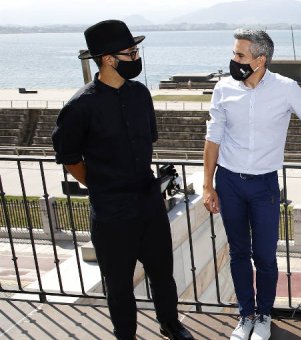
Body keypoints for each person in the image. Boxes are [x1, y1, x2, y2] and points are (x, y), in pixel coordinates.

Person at [51, 20, 193, 340]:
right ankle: (125, 335)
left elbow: (148, 141)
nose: (137, 57)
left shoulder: (141, 94)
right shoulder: (79, 106)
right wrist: (102, 184)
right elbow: (70, 158)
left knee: (162, 272)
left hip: (148, 201)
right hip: (112, 210)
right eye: (131, 52)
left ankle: (169, 323)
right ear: (109, 59)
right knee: (118, 282)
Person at [203, 29, 301, 340]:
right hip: (228, 182)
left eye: (240, 55)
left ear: (260, 60)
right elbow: (212, 138)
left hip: (264, 186)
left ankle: (265, 315)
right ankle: (246, 315)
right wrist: (207, 185)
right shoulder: (223, 88)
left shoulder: (286, 88)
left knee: (265, 255)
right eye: (234, 53)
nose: (233, 60)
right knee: (239, 253)